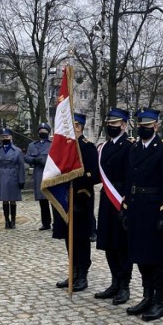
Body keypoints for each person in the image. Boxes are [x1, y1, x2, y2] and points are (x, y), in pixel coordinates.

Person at [121, 108, 163, 321]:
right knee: (140, 256)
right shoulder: (134, 148)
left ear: (156, 125)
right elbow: (129, 180)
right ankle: (146, 296)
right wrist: (125, 207)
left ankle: (158, 301)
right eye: (140, 125)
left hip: (155, 210)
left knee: (156, 259)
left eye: (147, 125)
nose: (143, 128)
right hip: (137, 208)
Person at [53, 113, 100, 292]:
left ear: (78, 127)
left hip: (81, 198)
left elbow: (94, 174)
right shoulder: (65, 148)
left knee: (81, 238)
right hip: (65, 199)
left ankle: (83, 274)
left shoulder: (87, 148)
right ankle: (73, 271)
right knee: (68, 237)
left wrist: (78, 184)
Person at [94, 108, 134, 305]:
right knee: (109, 242)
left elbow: (131, 175)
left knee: (122, 245)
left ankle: (125, 285)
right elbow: (96, 174)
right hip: (106, 199)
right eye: (109, 124)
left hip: (121, 198)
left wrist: (127, 201)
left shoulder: (130, 146)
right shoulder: (104, 147)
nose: (111, 126)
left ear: (124, 125)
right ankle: (114, 282)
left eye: (115, 124)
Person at [0, 128, 25, 229]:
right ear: (0, 138)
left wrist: (21, 180)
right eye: (3, 136)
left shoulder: (17, 151)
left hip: (13, 176)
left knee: (13, 200)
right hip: (1, 176)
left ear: (11, 137)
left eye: (7, 136)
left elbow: (21, 167)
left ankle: (14, 221)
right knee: (5, 200)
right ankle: (7, 220)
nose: (5, 138)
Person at [24, 123, 52, 230]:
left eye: (45, 131)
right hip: (39, 173)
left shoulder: (52, 144)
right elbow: (26, 157)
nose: (43, 133)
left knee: (53, 199)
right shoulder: (32, 145)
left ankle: (57, 223)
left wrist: (45, 161)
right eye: (41, 131)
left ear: (48, 133)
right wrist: (34, 160)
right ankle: (46, 223)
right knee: (42, 200)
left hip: (50, 173)